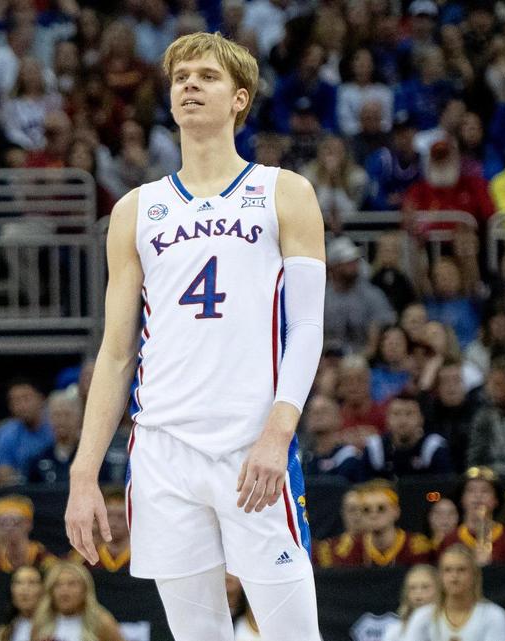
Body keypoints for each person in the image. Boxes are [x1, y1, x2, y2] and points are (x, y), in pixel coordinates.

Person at [65, 32, 326, 641]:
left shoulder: (283, 191)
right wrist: (84, 473)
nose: (188, 85)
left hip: (251, 443)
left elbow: (307, 327)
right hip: (161, 450)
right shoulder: (136, 209)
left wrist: (278, 432)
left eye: (206, 77)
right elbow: (116, 351)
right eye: (180, 77)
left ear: (239, 98)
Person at [399, 544, 505, 641]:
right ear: (440, 576)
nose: (454, 577)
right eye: (448, 570)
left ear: (474, 575)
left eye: (461, 570)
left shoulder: (493, 615)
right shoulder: (422, 616)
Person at [29, 561, 122, 641]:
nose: (64, 591)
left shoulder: (102, 622)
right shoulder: (41, 621)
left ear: (85, 589)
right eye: (58, 585)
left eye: (72, 584)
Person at [0, 495, 57, 573]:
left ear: (29, 524)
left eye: (16, 522)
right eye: (2, 522)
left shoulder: (42, 556)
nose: (9, 527)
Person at [382, 564, 439, 641]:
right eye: (412, 588)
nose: (418, 593)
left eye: (425, 587)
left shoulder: (449, 625)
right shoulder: (395, 630)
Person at [0, 565, 44, 641]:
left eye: (32, 583)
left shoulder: (55, 626)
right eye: (18, 583)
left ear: (43, 590)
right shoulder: (2, 633)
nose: (24, 590)